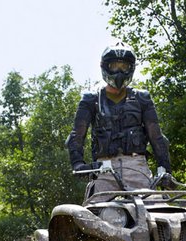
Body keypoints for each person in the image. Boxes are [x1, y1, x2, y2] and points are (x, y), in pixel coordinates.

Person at [66, 42, 173, 199]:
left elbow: (156, 136)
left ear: (131, 68)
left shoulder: (142, 98)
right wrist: (78, 164)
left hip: (137, 166)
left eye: (124, 66)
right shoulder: (90, 100)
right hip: (103, 169)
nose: (119, 71)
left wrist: (165, 169)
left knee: (154, 210)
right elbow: (77, 135)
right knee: (94, 214)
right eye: (115, 65)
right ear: (105, 66)